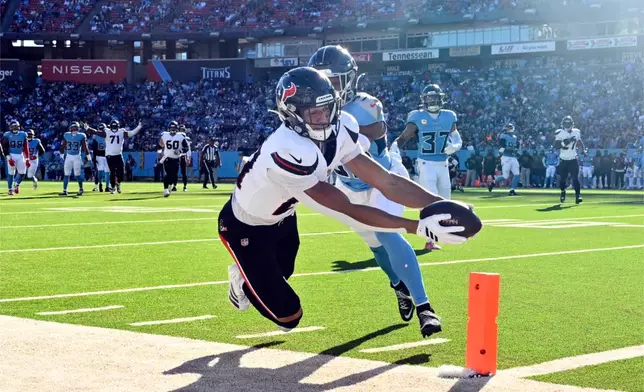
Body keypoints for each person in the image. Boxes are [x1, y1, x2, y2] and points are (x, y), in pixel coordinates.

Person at [220, 67, 471, 336]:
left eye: (326, 109)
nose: (323, 118)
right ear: (291, 114)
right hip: (246, 226)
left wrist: (440, 204)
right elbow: (348, 209)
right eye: (312, 113)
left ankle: (251, 275)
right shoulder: (288, 149)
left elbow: (386, 181)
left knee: (285, 270)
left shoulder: (341, 128)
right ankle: (241, 280)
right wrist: (416, 226)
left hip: (283, 217)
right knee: (289, 316)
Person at [308, 47, 445, 336]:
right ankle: (398, 285)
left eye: (333, 81)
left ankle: (425, 307)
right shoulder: (310, 113)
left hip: (383, 178)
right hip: (350, 188)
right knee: (375, 246)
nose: (327, 89)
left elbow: (371, 141)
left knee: (386, 232)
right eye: (321, 81)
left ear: (349, 80)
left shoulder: (365, 107)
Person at [391, 83, 462, 251]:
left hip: (443, 164)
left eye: (435, 97)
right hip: (426, 164)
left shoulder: (449, 116)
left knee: (445, 202)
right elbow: (404, 137)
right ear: (424, 100)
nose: (433, 101)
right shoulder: (417, 116)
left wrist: (456, 146)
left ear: (441, 98)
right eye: (429, 98)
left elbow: (457, 137)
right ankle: (429, 240)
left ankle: (443, 234)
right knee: (430, 202)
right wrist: (393, 149)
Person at [104, 119, 143, 194]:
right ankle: (113, 187)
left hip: (118, 155)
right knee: (112, 172)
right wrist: (139, 126)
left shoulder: (121, 132)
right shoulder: (108, 132)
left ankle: (118, 183)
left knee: (121, 172)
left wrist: (139, 126)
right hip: (110, 156)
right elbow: (97, 133)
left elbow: (131, 133)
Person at [554, 116, 584, 204]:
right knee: (563, 179)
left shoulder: (577, 132)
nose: (567, 125)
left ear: (572, 124)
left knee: (575, 178)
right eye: (565, 123)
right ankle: (563, 192)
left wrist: (584, 149)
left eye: (568, 123)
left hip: (573, 159)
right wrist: (565, 142)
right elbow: (556, 145)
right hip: (563, 159)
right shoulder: (560, 132)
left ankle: (578, 196)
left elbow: (580, 141)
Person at [160, 121, 190, 197]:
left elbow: (186, 148)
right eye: (171, 128)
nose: (172, 130)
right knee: (167, 174)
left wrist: (180, 151)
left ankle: (170, 186)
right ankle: (166, 189)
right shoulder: (164, 135)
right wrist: (161, 151)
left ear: (177, 129)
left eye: (174, 128)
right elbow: (160, 144)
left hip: (176, 159)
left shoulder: (181, 136)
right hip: (167, 158)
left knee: (174, 175)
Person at [61, 122, 91, 196]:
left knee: (77, 174)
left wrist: (89, 158)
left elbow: (85, 147)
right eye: (73, 129)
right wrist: (61, 156)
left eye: (75, 129)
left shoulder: (80, 136)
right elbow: (63, 145)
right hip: (69, 156)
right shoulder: (67, 135)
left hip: (76, 156)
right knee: (66, 174)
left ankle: (81, 189)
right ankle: (65, 190)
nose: (74, 130)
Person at [489, 124, 520, 195]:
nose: (510, 129)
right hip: (506, 157)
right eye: (509, 127)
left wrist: (516, 151)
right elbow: (502, 146)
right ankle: (493, 182)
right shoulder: (503, 136)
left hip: (513, 157)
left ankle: (512, 190)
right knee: (505, 176)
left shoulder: (515, 137)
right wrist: (499, 155)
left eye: (511, 127)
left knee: (517, 174)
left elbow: (517, 146)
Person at [2, 120, 29, 195]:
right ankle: (10, 189)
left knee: (23, 172)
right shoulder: (7, 135)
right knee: (11, 173)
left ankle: (16, 184)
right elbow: (4, 147)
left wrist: (27, 158)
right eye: (13, 126)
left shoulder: (23, 134)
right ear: (10, 127)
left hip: (20, 155)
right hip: (11, 154)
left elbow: (26, 147)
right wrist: (8, 157)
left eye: (16, 126)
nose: (15, 128)